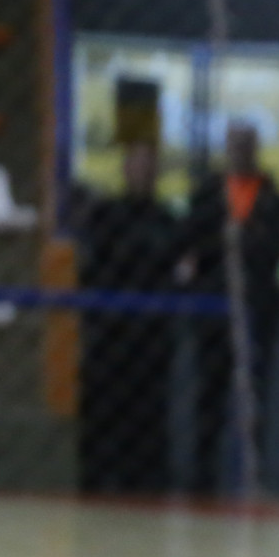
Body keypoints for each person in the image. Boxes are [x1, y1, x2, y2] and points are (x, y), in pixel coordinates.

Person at [180, 121, 279, 495]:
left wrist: (243, 239)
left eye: (247, 142)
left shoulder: (273, 198)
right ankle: (202, 480)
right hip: (214, 313)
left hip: (256, 312)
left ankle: (253, 475)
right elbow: (194, 240)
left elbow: (272, 251)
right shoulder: (208, 194)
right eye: (234, 143)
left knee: (255, 398)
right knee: (209, 395)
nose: (241, 149)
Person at [78, 141, 181, 493]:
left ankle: (146, 486)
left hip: (150, 341)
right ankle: (99, 481)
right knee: (104, 416)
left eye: (149, 166)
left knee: (148, 419)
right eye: (137, 164)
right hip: (109, 338)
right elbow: (93, 270)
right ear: (125, 170)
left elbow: (174, 271)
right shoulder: (105, 215)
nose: (143, 172)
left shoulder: (167, 220)